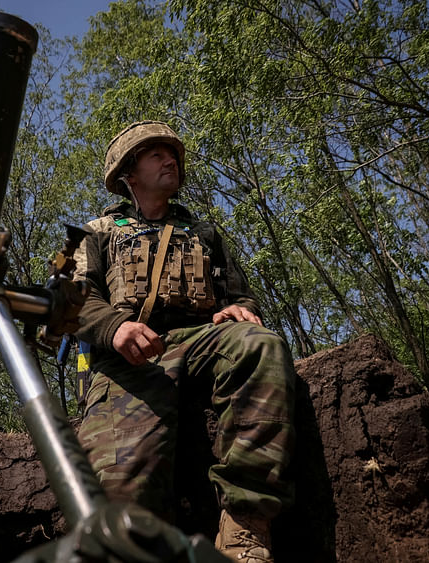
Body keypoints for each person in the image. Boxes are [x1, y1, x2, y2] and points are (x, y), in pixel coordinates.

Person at [73, 121, 296, 562]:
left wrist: (237, 310)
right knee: (123, 488)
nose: (169, 159)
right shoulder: (96, 232)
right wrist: (114, 328)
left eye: (171, 153)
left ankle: (244, 530)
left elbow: (240, 294)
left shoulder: (204, 233)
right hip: (130, 358)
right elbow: (75, 300)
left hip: (204, 339)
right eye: (155, 154)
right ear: (128, 174)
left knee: (260, 344)